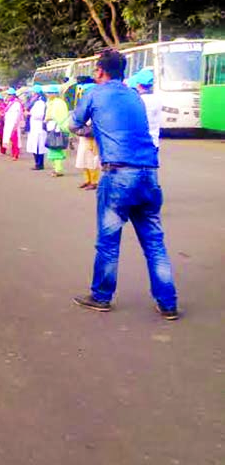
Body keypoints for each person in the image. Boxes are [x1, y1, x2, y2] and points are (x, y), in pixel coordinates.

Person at [69, 49, 178, 320]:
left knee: (108, 241)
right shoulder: (134, 95)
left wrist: (87, 130)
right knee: (154, 241)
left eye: (96, 70)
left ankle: (101, 296)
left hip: (118, 174)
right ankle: (168, 303)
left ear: (100, 71)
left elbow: (74, 123)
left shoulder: (94, 92)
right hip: (149, 173)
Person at [73, 84, 101, 190]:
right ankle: (87, 180)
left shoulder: (97, 105)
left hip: (92, 135)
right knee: (83, 158)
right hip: (84, 134)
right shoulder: (84, 104)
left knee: (92, 159)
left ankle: (95, 181)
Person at [127, 68, 162, 148]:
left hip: (139, 143)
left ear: (138, 84)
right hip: (154, 142)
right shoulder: (157, 100)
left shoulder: (136, 101)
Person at [44, 84, 70, 176]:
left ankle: (58, 170)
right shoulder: (50, 102)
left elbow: (60, 116)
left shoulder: (59, 103)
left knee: (56, 149)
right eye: (47, 93)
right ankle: (55, 168)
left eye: (49, 93)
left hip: (57, 129)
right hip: (51, 128)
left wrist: (49, 118)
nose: (47, 95)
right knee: (52, 149)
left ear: (54, 94)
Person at [25, 85, 47, 170]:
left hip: (38, 126)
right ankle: (37, 163)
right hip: (33, 126)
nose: (32, 94)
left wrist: (30, 114)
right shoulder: (33, 102)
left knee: (38, 146)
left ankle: (39, 164)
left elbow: (40, 115)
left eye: (33, 92)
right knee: (34, 146)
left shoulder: (40, 102)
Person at [1, 88, 22, 159]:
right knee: (9, 138)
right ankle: (12, 153)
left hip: (14, 124)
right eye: (8, 95)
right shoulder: (10, 103)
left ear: (13, 95)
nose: (8, 96)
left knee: (15, 139)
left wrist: (15, 124)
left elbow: (18, 115)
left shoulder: (17, 104)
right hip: (8, 123)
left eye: (9, 95)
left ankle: (15, 154)